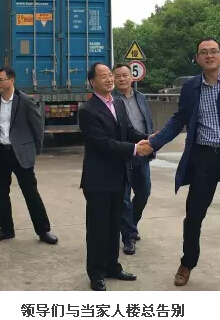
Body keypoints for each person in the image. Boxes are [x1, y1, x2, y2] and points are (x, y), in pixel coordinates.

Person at [146, 37, 220, 291]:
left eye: (213, 51)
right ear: (197, 58)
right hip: (203, 159)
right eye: (203, 52)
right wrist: (154, 143)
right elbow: (179, 120)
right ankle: (188, 261)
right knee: (194, 217)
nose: (209, 56)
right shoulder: (191, 87)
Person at [78, 62, 153, 291]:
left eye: (110, 75)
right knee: (98, 229)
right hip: (98, 180)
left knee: (113, 227)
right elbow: (103, 144)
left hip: (119, 176)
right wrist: (135, 149)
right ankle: (96, 273)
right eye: (103, 76)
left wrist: (149, 139)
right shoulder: (88, 110)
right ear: (92, 82)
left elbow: (128, 131)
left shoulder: (118, 103)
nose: (110, 79)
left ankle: (112, 266)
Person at [0, 66, 58, 245]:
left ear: (12, 80)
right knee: (1, 194)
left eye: (1, 80)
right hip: (0, 152)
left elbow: (37, 126)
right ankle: (6, 230)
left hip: (20, 154)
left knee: (31, 193)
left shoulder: (25, 101)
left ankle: (44, 231)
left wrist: (35, 150)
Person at [112, 63, 155, 255]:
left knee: (144, 192)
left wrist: (151, 145)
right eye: (118, 76)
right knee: (124, 198)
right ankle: (128, 237)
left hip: (142, 152)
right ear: (113, 79)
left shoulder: (141, 97)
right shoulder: (111, 100)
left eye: (125, 75)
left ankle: (131, 225)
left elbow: (148, 122)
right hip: (123, 153)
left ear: (132, 77)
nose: (122, 79)